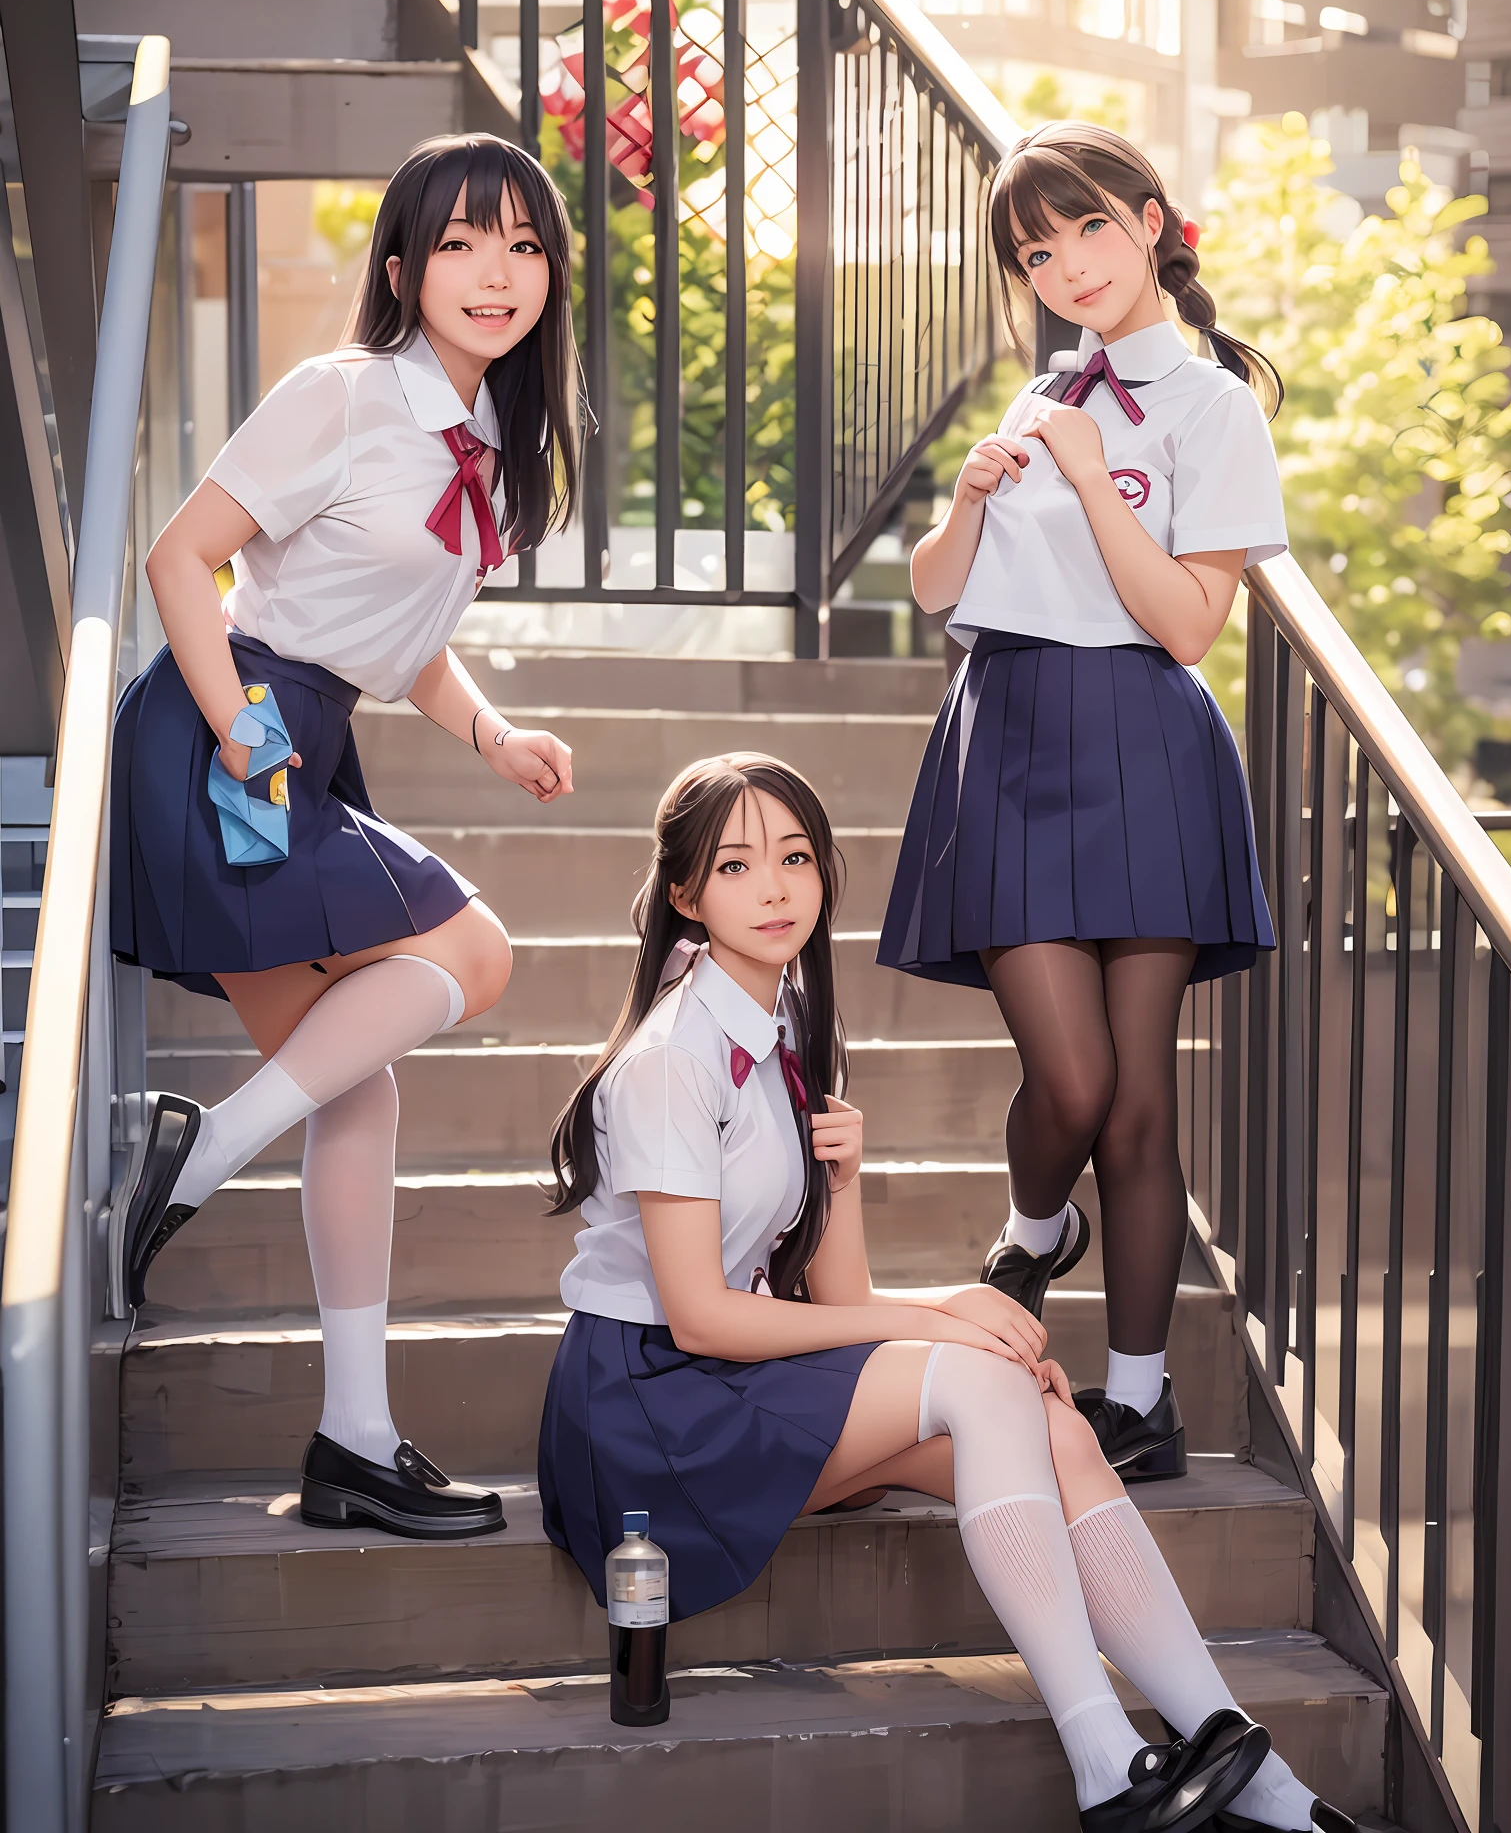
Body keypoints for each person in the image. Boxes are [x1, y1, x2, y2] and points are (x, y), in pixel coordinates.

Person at [537, 753, 1349, 1833]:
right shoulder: (670, 1060)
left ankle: (1258, 1777)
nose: (774, 887)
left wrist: (847, 1181)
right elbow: (702, 1313)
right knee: (982, 1377)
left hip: (730, 1384)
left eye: (793, 857)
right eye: (736, 866)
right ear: (687, 894)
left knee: (1051, 1417)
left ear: (825, 869)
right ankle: (1103, 1754)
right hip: (646, 1412)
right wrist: (941, 1314)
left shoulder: (790, 1026)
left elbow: (838, 1296)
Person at [112, 132, 583, 1540]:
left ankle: (354, 1442)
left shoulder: (489, 443)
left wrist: (493, 735)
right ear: (401, 270)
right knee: (475, 952)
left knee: (358, 1089)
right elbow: (179, 558)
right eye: (458, 245)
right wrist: (249, 740)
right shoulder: (342, 395)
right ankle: (195, 1159)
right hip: (229, 730)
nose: (495, 273)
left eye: (520, 244)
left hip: (303, 734)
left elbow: (403, 640)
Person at [878, 120, 1284, 1488]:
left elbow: (1187, 624)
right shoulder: (1044, 390)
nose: (1067, 266)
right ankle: (1036, 1226)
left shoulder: (1213, 403)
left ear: (1155, 222)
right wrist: (975, 495)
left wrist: (1085, 472)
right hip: (1011, 730)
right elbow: (936, 595)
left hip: (1145, 741)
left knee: (1136, 1107)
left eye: (1090, 231)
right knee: (1071, 1079)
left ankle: (1142, 1398)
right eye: (1038, 252)